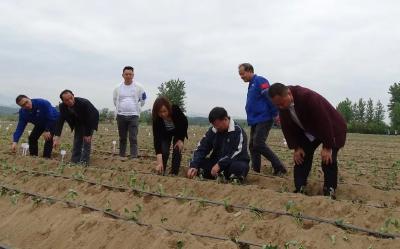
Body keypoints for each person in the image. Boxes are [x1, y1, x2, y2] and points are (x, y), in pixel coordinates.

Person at [268, 83, 347, 198]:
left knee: (328, 158)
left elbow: (324, 121)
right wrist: (296, 147)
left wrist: (327, 147)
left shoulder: (307, 97)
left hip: (332, 128)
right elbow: (286, 128)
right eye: (277, 105)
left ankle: (329, 189)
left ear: (289, 94)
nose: (280, 107)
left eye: (281, 103)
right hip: (311, 130)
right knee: (301, 156)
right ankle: (300, 187)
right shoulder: (283, 106)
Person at [238, 63, 287, 175]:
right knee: (253, 146)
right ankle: (256, 170)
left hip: (264, 118)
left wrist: (276, 114)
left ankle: (279, 167)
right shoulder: (251, 84)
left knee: (258, 143)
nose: (241, 77)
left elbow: (270, 97)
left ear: (250, 71)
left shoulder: (260, 81)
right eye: (240, 75)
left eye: (242, 74)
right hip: (255, 119)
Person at [187, 107, 249, 182]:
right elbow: (202, 148)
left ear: (225, 119)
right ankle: (216, 175)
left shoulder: (237, 131)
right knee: (196, 162)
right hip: (215, 162)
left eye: (218, 125)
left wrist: (220, 165)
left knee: (239, 167)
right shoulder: (213, 130)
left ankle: (233, 177)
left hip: (233, 162)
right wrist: (194, 165)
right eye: (214, 125)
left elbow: (235, 153)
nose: (216, 128)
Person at [53, 90, 99, 166]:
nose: (70, 101)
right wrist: (57, 136)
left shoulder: (84, 103)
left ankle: (84, 162)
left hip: (90, 120)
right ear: (63, 101)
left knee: (86, 141)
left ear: (73, 95)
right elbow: (60, 120)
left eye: (71, 98)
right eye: (67, 100)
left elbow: (91, 117)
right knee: (77, 140)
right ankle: (75, 160)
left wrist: (87, 134)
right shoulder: (62, 107)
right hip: (78, 122)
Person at [113, 66, 147, 159]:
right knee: (122, 137)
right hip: (121, 115)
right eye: (126, 74)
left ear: (133, 75)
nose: (128, 76)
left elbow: (143, 98)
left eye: (130, 74)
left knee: (133, 137)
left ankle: (134, 156)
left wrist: (139, 107)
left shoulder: (139, 87)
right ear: (123, 75)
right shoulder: (117, 88)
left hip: (134, 115)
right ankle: (122, 155)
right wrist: (119, 109)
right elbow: (115, 99)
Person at [152, 97, 188, 175]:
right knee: (164, 150)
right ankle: (162, 170)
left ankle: (174, 173)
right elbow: (157, 138)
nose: (163, 114)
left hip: (178, 132)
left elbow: (184, 122)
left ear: (168, 108)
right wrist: (159, 161)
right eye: (160, 112)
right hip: (165, 134)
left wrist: (180, 139)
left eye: (165, 111)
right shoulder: (156, 119)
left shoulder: (175, 110)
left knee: (177, 149)